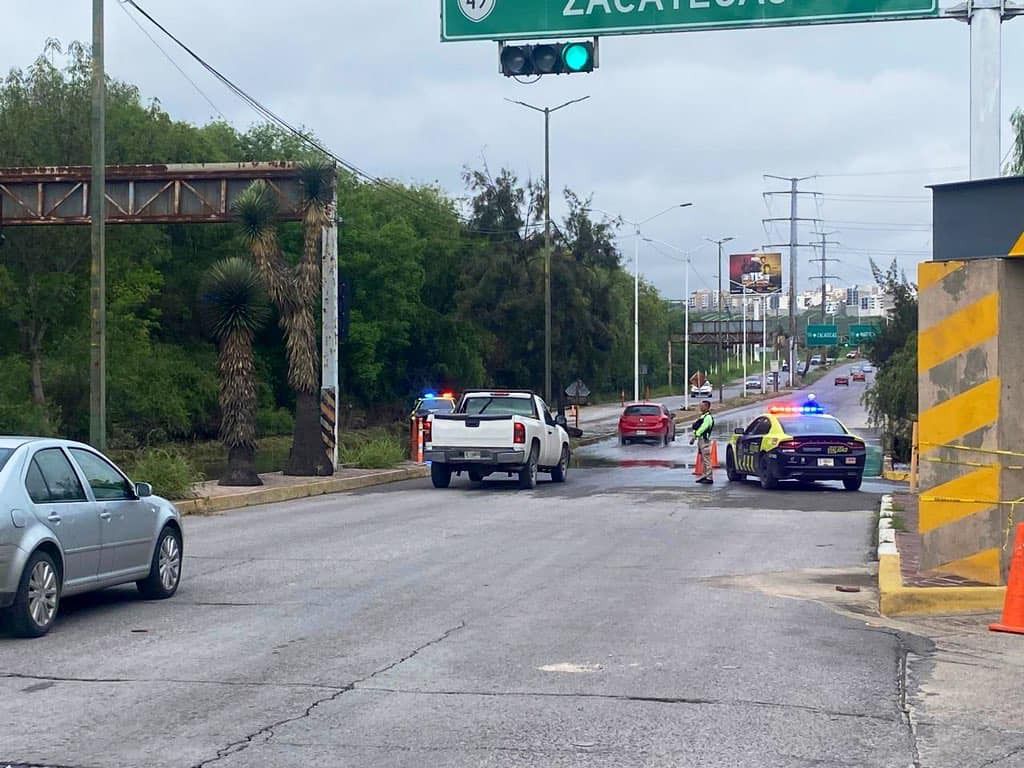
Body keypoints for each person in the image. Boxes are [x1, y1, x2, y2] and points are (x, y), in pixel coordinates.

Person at [689, 400, 715, 484]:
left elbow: (703, 428)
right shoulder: (703, 416)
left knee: (706, 459)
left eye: (702, 406)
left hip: (704, 440)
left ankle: (709, 477)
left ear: (707, 407)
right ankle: (705, 476)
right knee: (703, 459)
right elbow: (697, 426)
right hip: (701, 440)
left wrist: (695, 435)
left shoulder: (708, 417)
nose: (700, 407)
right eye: (700, 406)